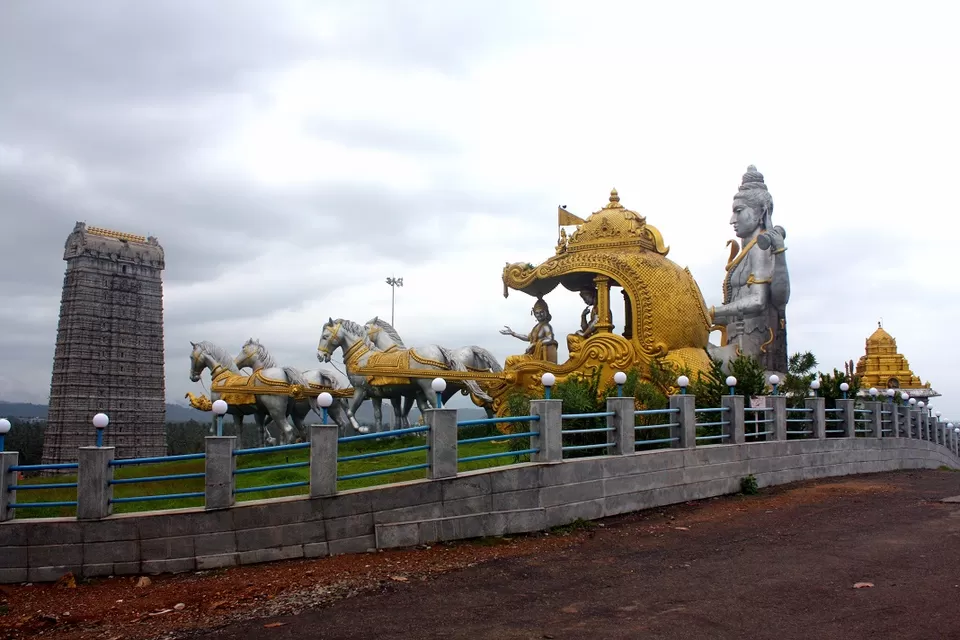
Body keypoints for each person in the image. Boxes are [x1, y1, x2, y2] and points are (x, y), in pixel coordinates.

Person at [708, 165, 790, 374]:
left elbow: (758, 300)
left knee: (694, 358)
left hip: (748, 351)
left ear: (761, 211)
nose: (732, 220)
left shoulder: (761, 247)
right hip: (736, 341)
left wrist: (712, 313)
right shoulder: (747, 250)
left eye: (738, 211)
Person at [501, 297, 558, 364]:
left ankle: (507, 374)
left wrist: (534, 344)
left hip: (537, 357)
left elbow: (550, 339)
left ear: (546, 312)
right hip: (531, 354)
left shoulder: (546, 326)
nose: (539, 315)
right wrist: (513, 333)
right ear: (534, 314)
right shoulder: (536, 327)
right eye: (537, 313)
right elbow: (528, 337)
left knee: (510, 360)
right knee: (510, 360)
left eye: (541, 312)